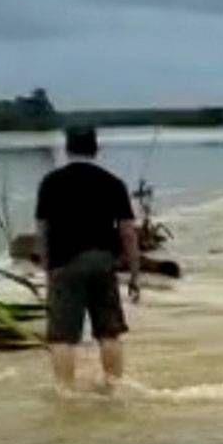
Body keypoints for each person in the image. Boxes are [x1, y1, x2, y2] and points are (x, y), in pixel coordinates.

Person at [35, 125, 141, 393]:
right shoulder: (113, 183)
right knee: (109, 332)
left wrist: (47, 269)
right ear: (96, 149)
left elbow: (42, 231)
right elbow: (128, 232)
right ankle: (114, 387)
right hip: (103, 262)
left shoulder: (51, 183)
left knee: (62, 337)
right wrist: (134, 272)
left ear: (67, 149)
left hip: (65, 263)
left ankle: (65, 393)